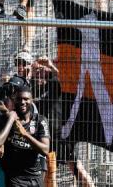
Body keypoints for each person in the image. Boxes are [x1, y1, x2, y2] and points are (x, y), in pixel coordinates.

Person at [29, 58, 94, 187]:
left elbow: (64, 79)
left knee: (75, 166)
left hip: (59, 135)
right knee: (49, 172)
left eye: (42, 70)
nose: (39, 73)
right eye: (36, 70)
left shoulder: (54, 83)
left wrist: (51, 66)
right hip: (43, 137)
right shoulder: (32, 88)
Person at [0, 86, 51, 187]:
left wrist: (25, 134)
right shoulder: (6, 120)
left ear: (31, 100)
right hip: (15, 178)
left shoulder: (40, 121)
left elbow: (45, 150)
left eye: (26, 99)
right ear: (14, 101)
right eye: (19, 99)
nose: (22, 102)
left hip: (35, 176)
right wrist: (0, 144)